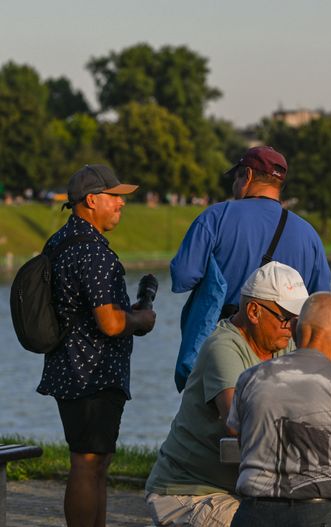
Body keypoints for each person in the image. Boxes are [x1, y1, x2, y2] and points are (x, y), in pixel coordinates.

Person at [145, 262, 310, 527]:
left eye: (297, 319)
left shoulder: (283, 343)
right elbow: (238, 421)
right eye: (286, 318)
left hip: (240, 490)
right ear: (254, 311)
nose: (292, 327)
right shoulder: (223, 346)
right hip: (190, 491)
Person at [37, 164, 156, 527]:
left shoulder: (60, 242)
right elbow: (110, 322)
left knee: (95, 463)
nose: (121, 204)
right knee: (88, 464)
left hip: (68, 368)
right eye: (115, 197)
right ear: (91, 200)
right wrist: (140, 320)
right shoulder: (92, 251)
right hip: (91, 375)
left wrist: (124, 313)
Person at [169, 145, 330, 390]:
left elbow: (182, 277)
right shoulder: (309, 235)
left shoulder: (215, 217)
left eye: (237, 177)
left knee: (214, 421)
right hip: (282, 352)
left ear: (249, 175)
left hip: (222, 346)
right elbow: (320, 303)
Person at [227, 292, 331, 527]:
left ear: (294, 329)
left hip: (252, 514)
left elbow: (245, 444)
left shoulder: (250, 378)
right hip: (321, 514)